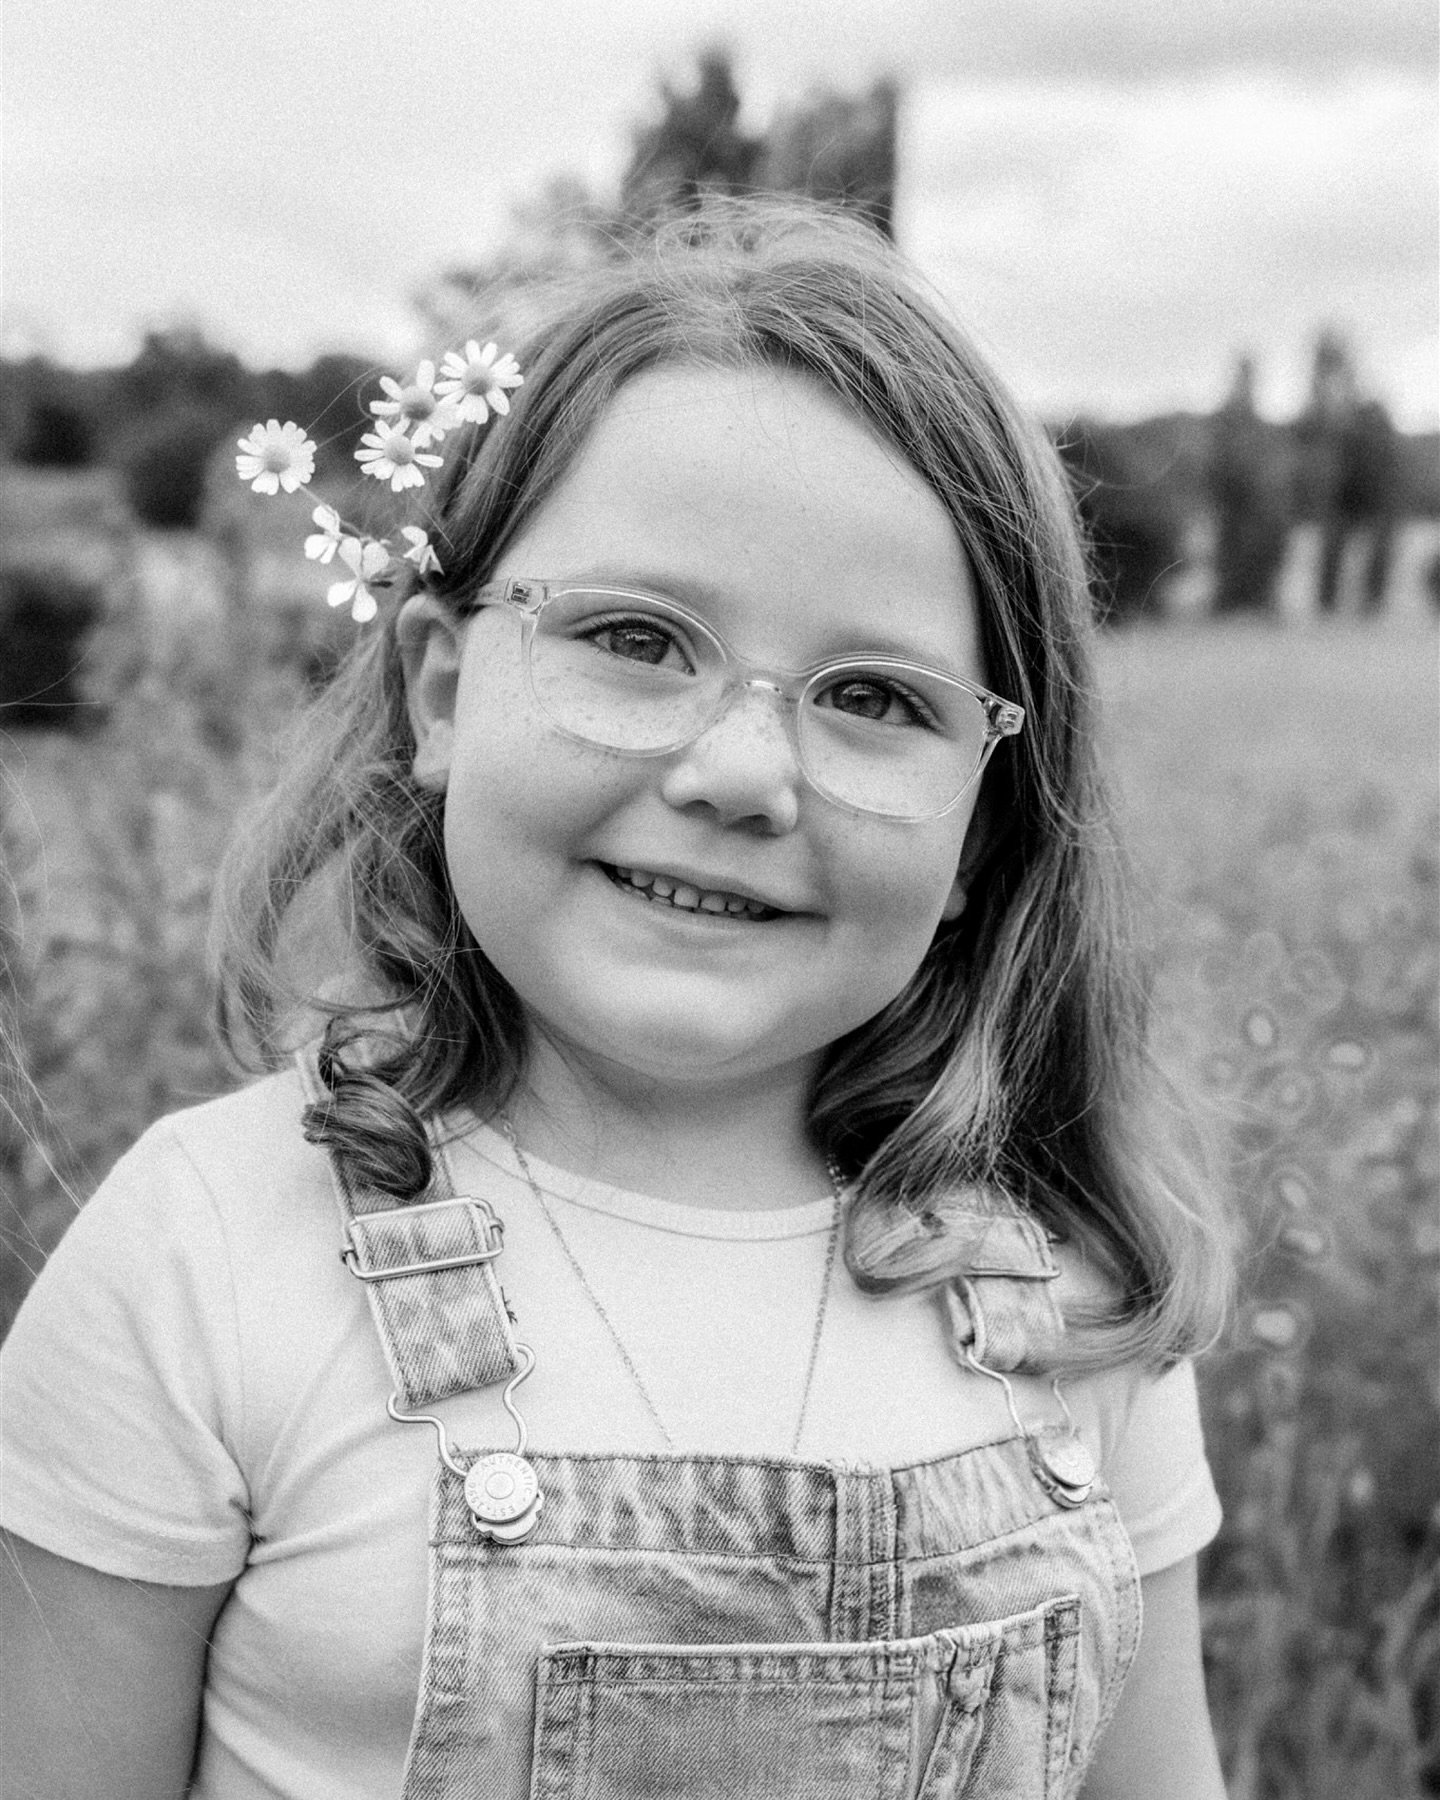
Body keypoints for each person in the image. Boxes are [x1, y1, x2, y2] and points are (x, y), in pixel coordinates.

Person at [0, 200, 1233, 1799]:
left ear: (985, 826)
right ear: (444, 691)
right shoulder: (206, 1261)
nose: (740, 772)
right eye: (637, 639)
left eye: (875, 697)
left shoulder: (1080, 1299)